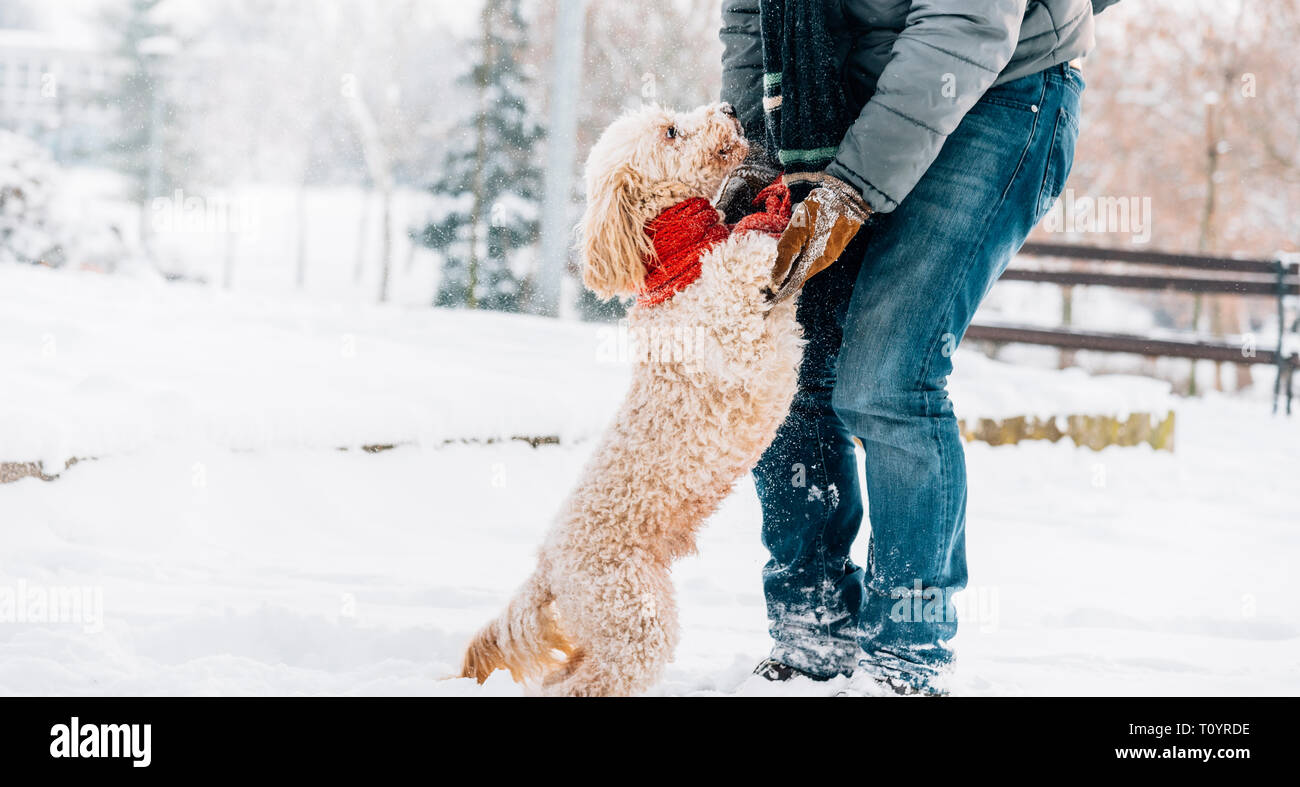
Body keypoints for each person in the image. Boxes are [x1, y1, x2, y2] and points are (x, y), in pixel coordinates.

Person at [717, 0, 1120, 695]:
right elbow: (752, 22)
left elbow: (965, 25)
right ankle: (811, 636)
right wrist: (755, 165)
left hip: (1000, 89)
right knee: (785, 361)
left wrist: (851, 191)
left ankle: (905, 657)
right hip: (840, 96)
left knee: (887, 374)